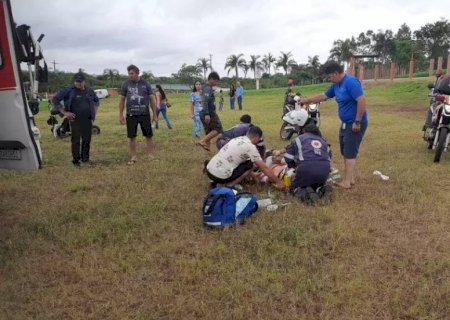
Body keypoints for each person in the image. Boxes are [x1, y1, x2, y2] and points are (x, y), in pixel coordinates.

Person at [300, 61, 367, 189]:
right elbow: (323, 96)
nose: (329, 79)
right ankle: (350, 178)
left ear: (336, 73)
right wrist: (307, 100)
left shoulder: (351, 82)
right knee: (344, 150)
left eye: (329, 76)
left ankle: (346, 182)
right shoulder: (336, 85)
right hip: (345, 123)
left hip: (354, 123)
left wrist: (357, 121)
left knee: (350, 152)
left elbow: (361, 100)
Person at [206, 126, 285, 190]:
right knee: (250, 164)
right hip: (220, 176)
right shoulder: (250, 147)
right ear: (256, 137)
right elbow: (264, 168)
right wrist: (279, 182)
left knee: (245, 161)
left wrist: (253, 174)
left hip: (209, 171)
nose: (258, 141)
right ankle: (229, 186)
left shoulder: (237, 139)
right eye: (259, 139)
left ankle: (215, 182)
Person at [52, 72, 99, 167]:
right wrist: (64, 113)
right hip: (74, 119)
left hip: (87, 118)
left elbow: (96, 101)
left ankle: (85, 158)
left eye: (80, 82)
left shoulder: (90, 90)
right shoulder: (68, 90)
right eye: (76, 82)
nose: (78, 84)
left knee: (87, 139)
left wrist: (94, 112)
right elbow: (55, 100)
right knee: (76, 140)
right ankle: (76, 161)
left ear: (84, 82)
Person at [118, 64, 157, 164]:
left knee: (148, 135)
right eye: (129, 73)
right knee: (132, 136)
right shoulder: (125, 84)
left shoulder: (146, 83)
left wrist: (155, 115)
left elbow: (152, 99)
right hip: (131, 114)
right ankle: (133, 156)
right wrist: (120, 114)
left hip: (144, 113)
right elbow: (122, 100)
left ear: (137, 73)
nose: (130, 75)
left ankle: (150, 155)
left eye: (132, 73)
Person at [283, 123, 331, 193]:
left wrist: (293, 167)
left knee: (294, 187)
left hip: (305, 169)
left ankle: (301, 192)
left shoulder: (298, 139)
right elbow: (328, 158)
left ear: (304, 131)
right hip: (324, 172)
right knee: (316, 184)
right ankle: (319, 189)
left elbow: (288, 157)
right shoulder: (324, 142)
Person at [196, 72, 223, 151]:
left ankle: (207, 146)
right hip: (208, 112)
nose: (216, 83)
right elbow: (205, 101)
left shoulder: (204, 87)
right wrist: (207, 114)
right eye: (216, 81)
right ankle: (203, 141)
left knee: (209, 130)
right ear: (211, 79)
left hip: (203, 112)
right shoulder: (207, 88)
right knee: (218, 129)